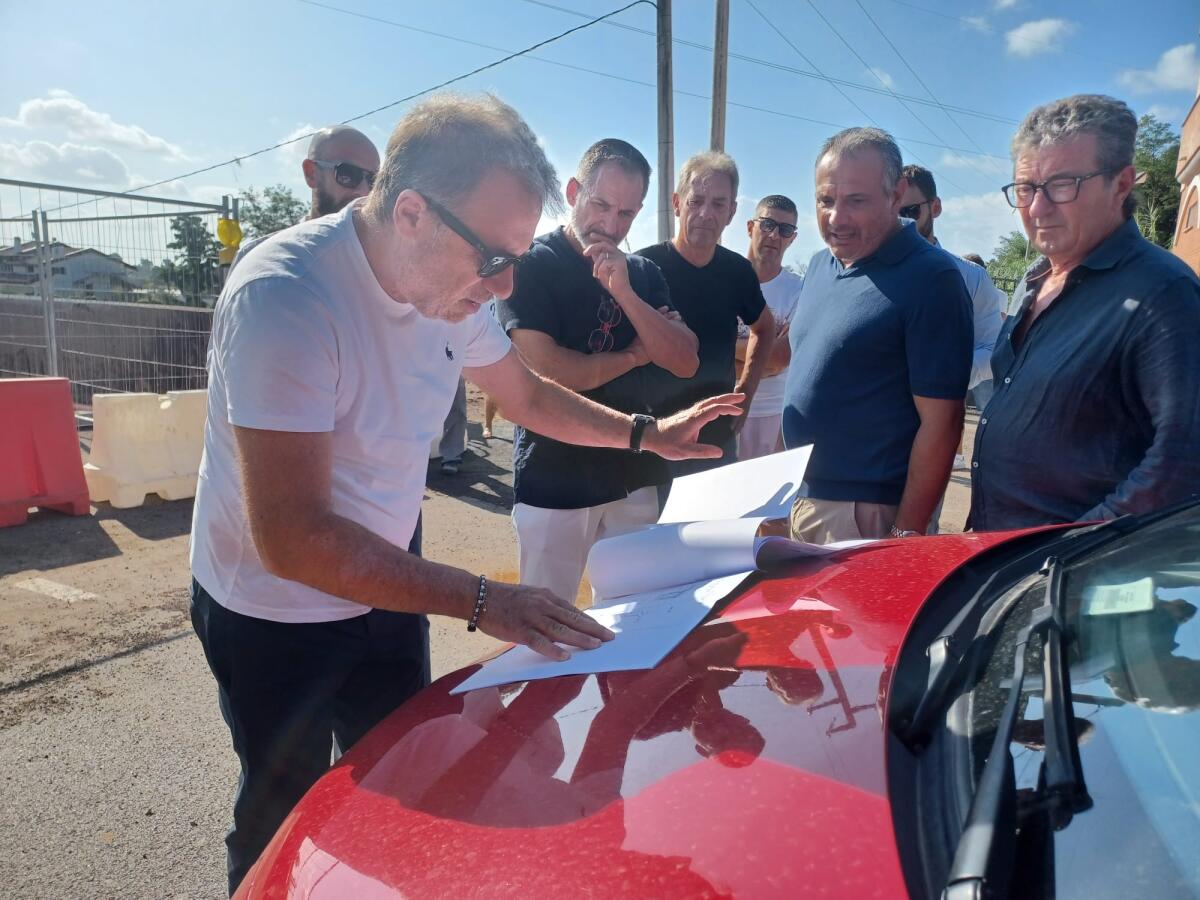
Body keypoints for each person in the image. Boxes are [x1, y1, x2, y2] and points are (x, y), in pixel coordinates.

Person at [189, 93, 742, 894]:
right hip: (271, 607)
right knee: (281, 817)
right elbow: (294, 537)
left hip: (383, 578)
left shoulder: (454, 287)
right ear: (410, 212)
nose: (506, 282)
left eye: (516, 256)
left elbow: (529, 396)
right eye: (493, 256)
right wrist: (486, 600)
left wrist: (644, 434)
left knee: (402, 781)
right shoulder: (286, 297)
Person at [969, 94, 1200, 530]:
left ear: (1122, 184)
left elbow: (1182, 463)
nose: (1036, 209)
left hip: (1073, 584)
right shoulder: (1036, 280)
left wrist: (1066, 554)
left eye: (1062, 185)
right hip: (1005, 566)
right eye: (1025, 188)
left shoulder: (1163, 295)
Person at [496, 139, 698, 603]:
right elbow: (547, 371)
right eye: (600, 204)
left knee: (635, 618)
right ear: (572, 191)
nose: (610, 225)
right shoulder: (531, 263)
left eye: (626, 214)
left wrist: (625, 293)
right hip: (555, 476)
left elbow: (684, 358)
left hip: (635, 477)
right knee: (546, 621)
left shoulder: (643, 272)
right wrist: (631, 356)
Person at [783, 126, 973, 544]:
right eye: (825, 200)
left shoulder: (931, 278)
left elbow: (942, 424)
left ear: (896, 193)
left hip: (866, 516)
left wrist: (906, 533)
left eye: (856, 201)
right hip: (805, 498)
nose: (836, 218)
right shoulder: (820, 265)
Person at [637, 151, 775, 481]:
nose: (705, 213)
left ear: (731, 212)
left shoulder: (737, 271)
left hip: (716, 439)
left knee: (711, 532)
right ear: (676, 202)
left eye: (717, 203)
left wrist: (746, 391)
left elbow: (764, 328)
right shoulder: (642, 268)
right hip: (654, 434)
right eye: (696, 200)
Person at [899, 164, 1004, 461]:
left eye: (910, 212)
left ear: (935, 207)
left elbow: (992, 348)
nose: (901, 222)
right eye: (892, 211)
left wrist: (943, 378)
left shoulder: (971, 278)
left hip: (935, 427)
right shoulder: (867, 273)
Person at [230, 126, 380, 270]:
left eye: (374, 181)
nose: (364, 192)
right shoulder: (261, 262)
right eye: (347, 175)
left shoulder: (385, 265)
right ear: (311, 173)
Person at [737, 195, 804, 460]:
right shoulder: (723, 277)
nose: (775, 235)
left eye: (785, 230)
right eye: (767, 224)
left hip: (774, 415)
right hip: (721, 407)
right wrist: (764, 343)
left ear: (792, 238)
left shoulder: (799, 290)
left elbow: (778, 360)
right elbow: (704, 351)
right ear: (750, 227)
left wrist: (725, 346)